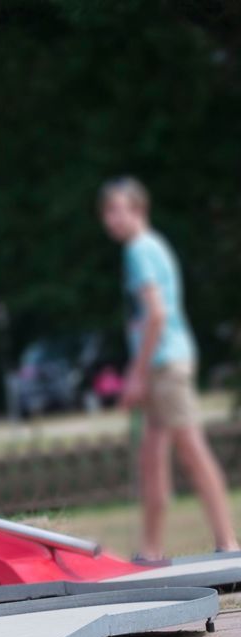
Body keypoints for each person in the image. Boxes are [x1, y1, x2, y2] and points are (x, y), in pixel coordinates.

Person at [98, 177, 238, 559]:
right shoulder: (150, 247)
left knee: (192, 451)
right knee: (151, 458)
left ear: (138, 210)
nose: (110, 219)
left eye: (117, 210)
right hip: (163, 364)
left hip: (165, 366)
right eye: (106, 211)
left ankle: (229, 544)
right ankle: (150, 550)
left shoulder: (139, 251)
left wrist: (137, 372)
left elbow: (157, 314)